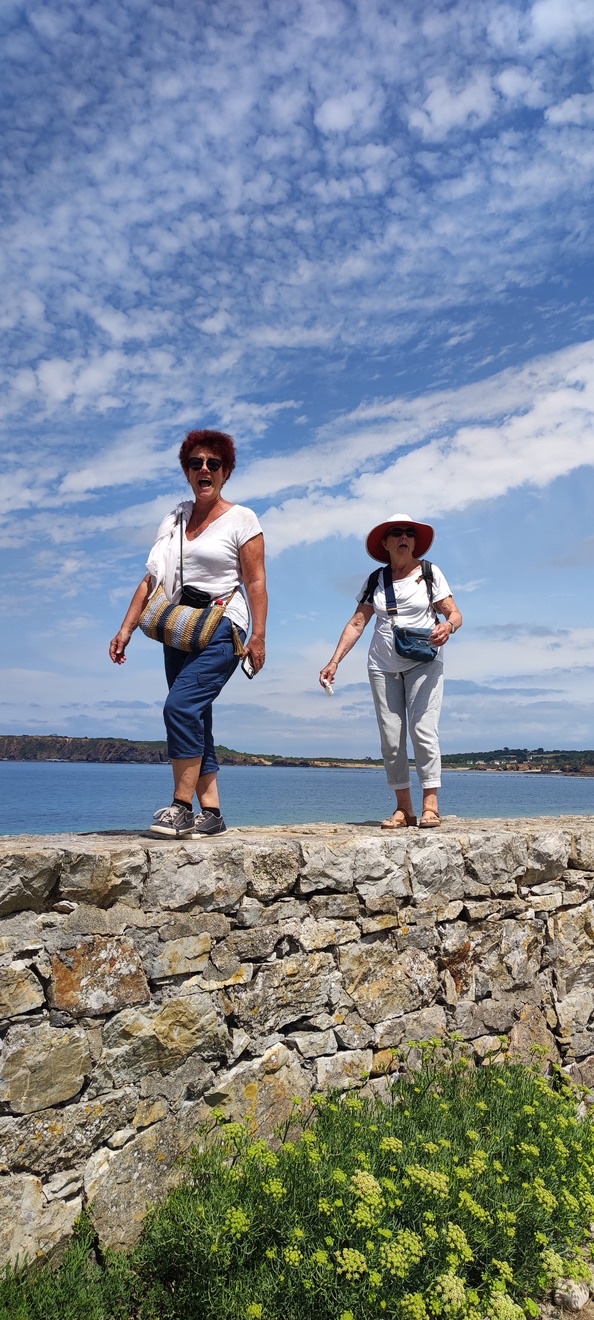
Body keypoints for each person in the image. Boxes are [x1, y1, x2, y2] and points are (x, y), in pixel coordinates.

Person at [109, 428, 267, 837]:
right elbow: (152, 579)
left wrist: (259, 636)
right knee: (196, 716)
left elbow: (255, 582)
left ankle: (180, 807)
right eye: (196, 463)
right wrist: (126, 629)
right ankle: (212, 813)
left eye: (214, 463)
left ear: (226, 472)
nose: (204, 469)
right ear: (187, 471)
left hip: (223, 624)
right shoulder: (175, 520)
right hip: (179, 627)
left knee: (179, 708)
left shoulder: (243, 519)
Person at [319, 513, 461, 829]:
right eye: (397, 532)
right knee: (391, 739)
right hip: (382, 665)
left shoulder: (430, 572)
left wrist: (448, 626)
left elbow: (454, 613)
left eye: (409, 532)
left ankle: (431, 806)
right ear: (385, 543)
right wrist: (334, 661)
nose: (404, 537)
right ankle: (403, 809)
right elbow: (358, 622)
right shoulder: (376, 580)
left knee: (423, 730)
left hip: (425, 661)